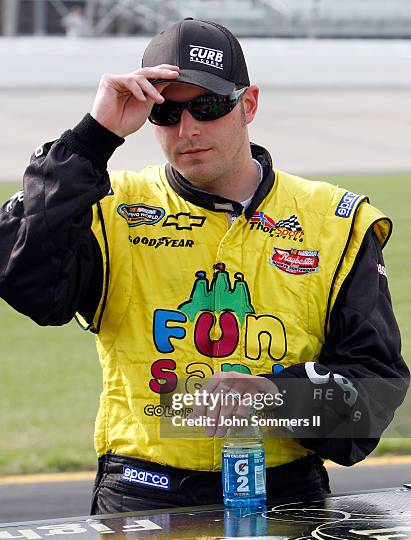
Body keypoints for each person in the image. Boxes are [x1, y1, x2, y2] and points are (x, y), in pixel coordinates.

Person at [0, 18, 408, 514]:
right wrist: (92, 139)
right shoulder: (110, 206)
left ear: (249, 104)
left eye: (209, 106)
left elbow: (375, 389)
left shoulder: (336, 222)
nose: (187, 128)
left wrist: (273, 397)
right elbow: (27, 281)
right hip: (140, 496)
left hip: (285, 494)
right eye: (167, 112)